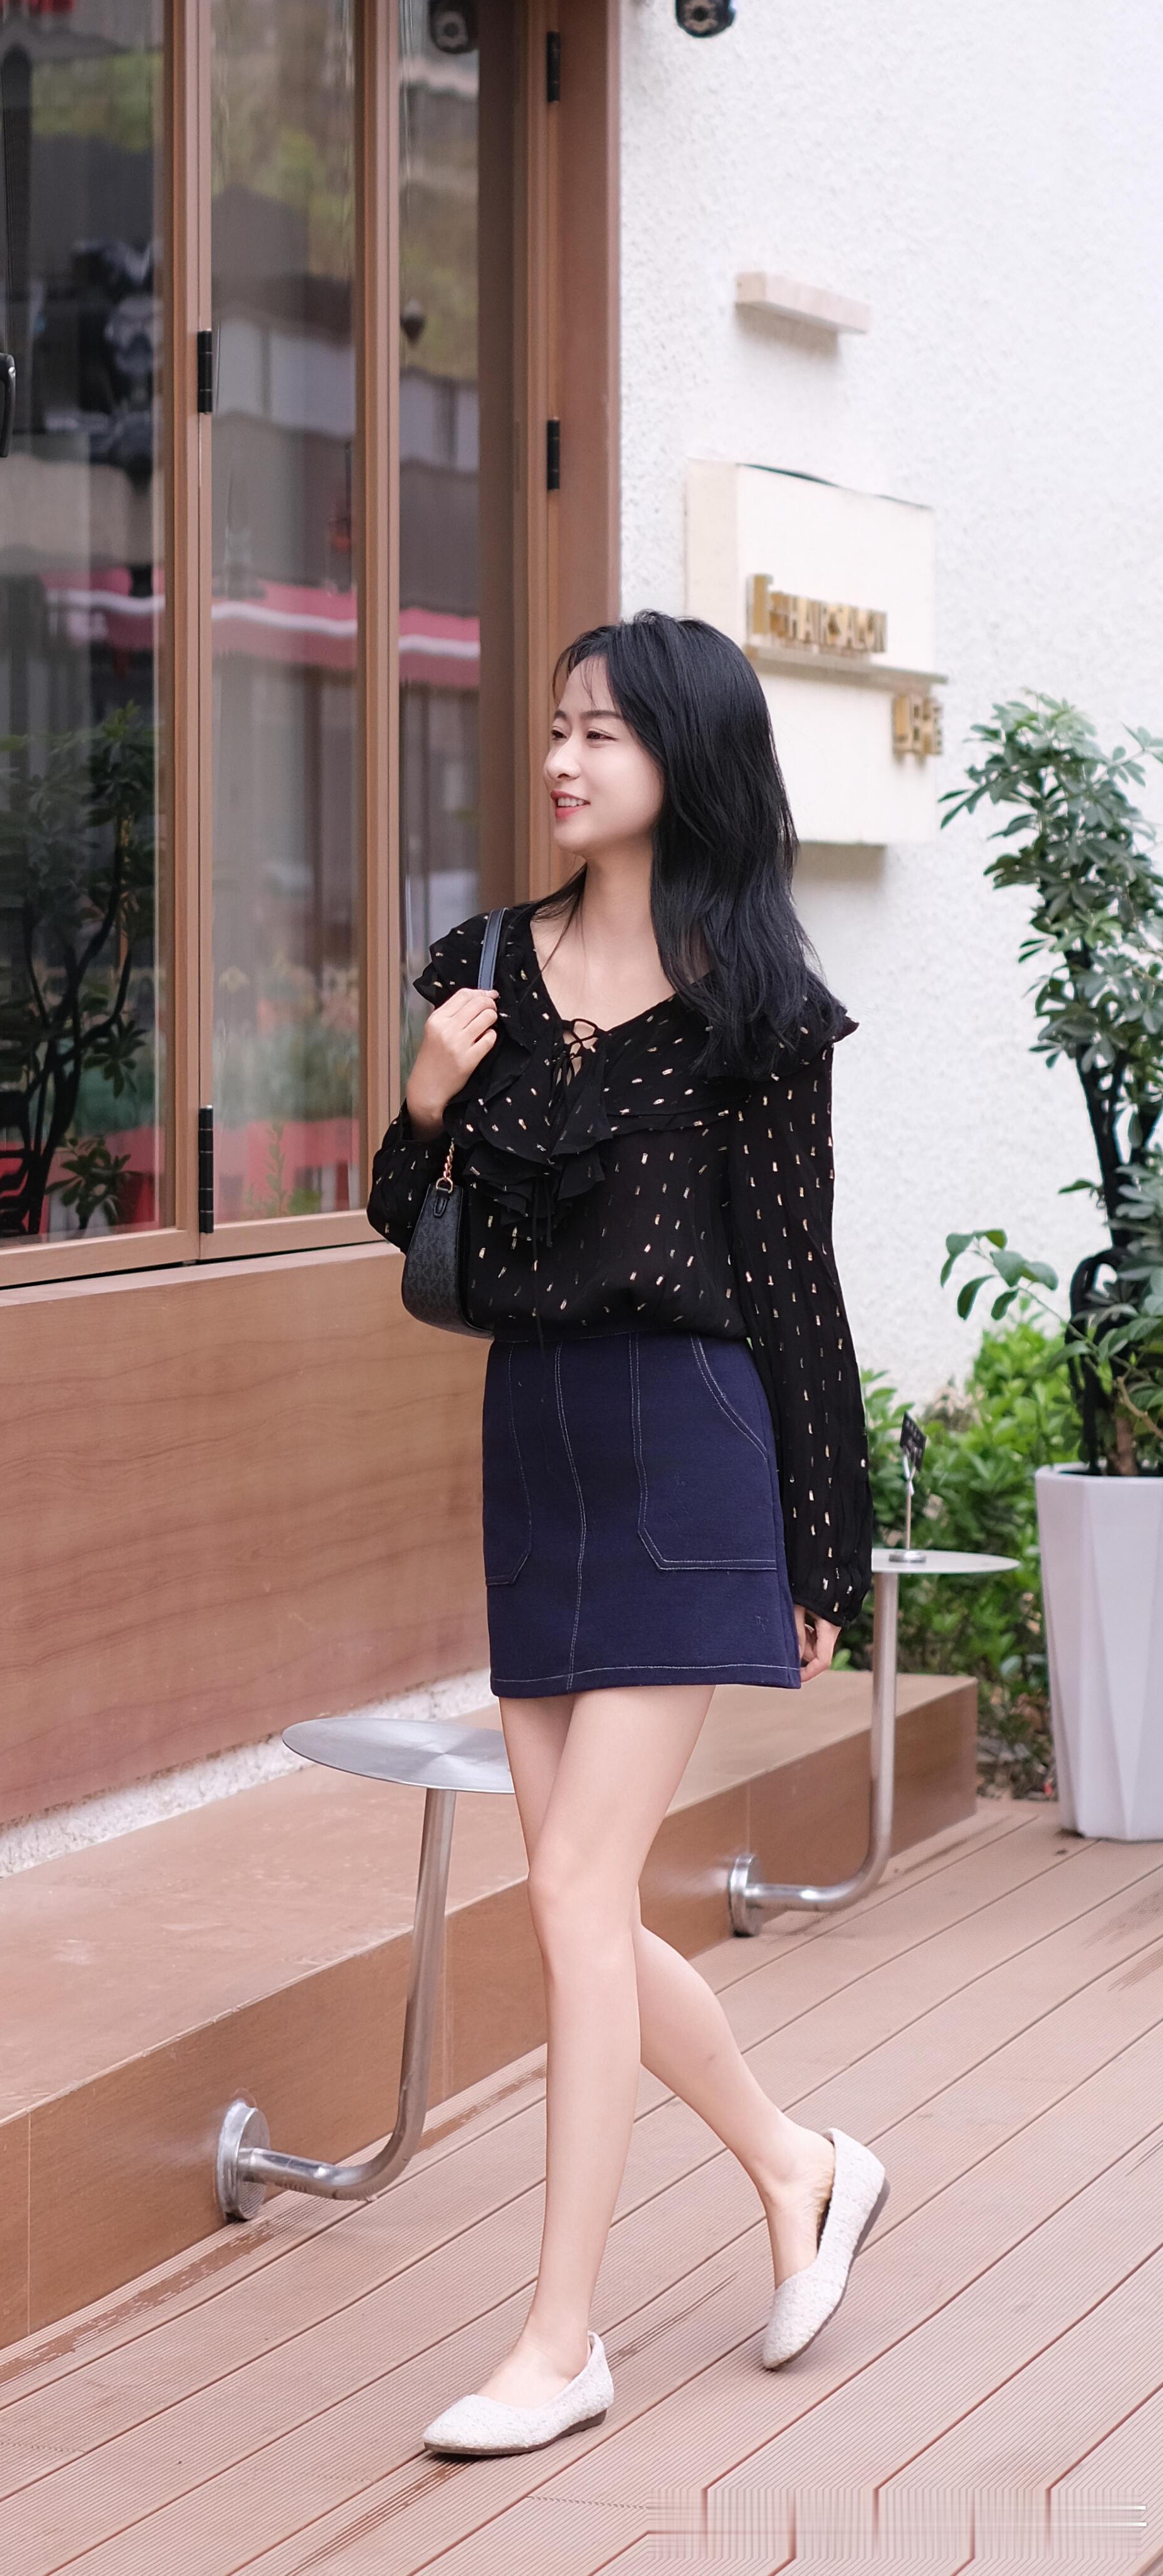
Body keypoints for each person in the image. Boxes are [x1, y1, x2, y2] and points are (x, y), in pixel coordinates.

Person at [368, 612, 883, 2459]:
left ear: (684, 755)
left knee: (579, 1896)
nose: (561, 761)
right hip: (536, 1448)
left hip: (691, 1448)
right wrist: (425, 1103)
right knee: (569, 1902)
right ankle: (799, 2166)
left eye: (600, 733)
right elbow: (409, 1224)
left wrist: (825, 1545)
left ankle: (559, 2339)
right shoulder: (480, 970)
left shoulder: (758, 1014)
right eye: (555, 729)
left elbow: (799, 1291)